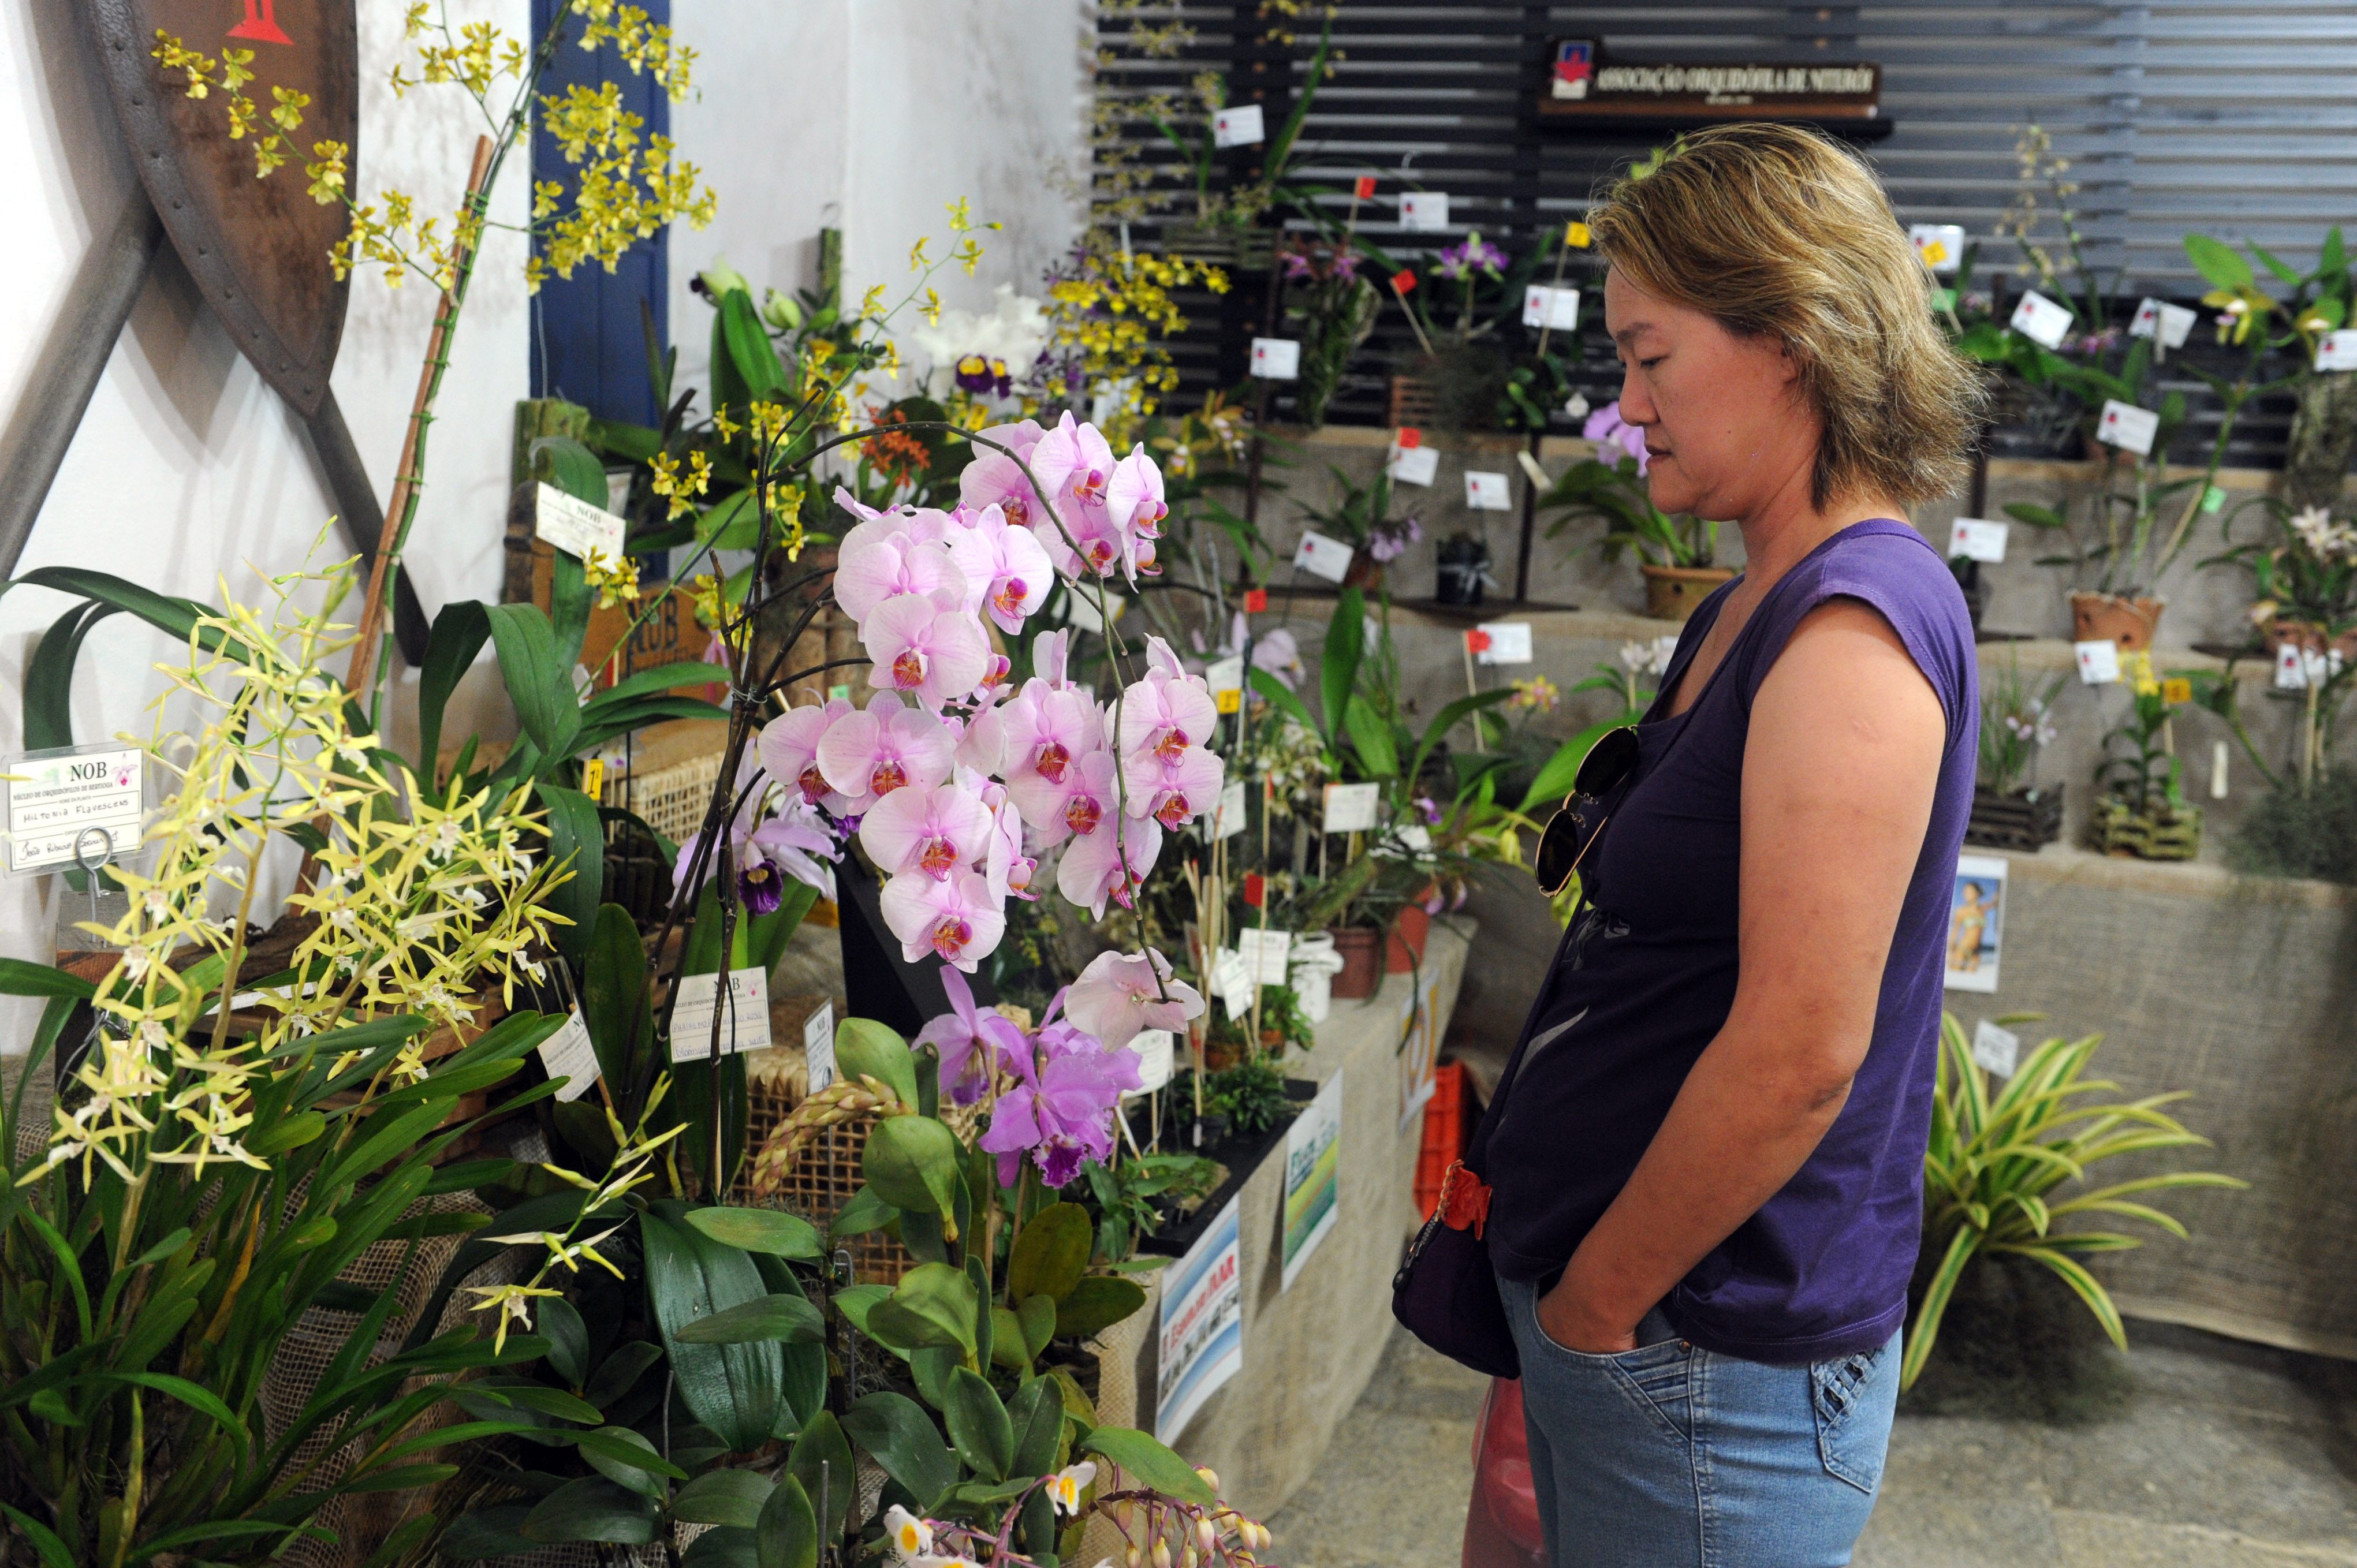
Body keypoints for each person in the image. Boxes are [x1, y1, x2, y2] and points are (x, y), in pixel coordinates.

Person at [1479, 123, 1984, 1566]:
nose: (1625, 403)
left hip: (1707, 1357)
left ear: (1792, 337)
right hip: (1652, 1338)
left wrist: (1596, 1302)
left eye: (1650, 355)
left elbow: (1799, 1048)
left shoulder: (1846, 633)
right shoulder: (1756, 602)